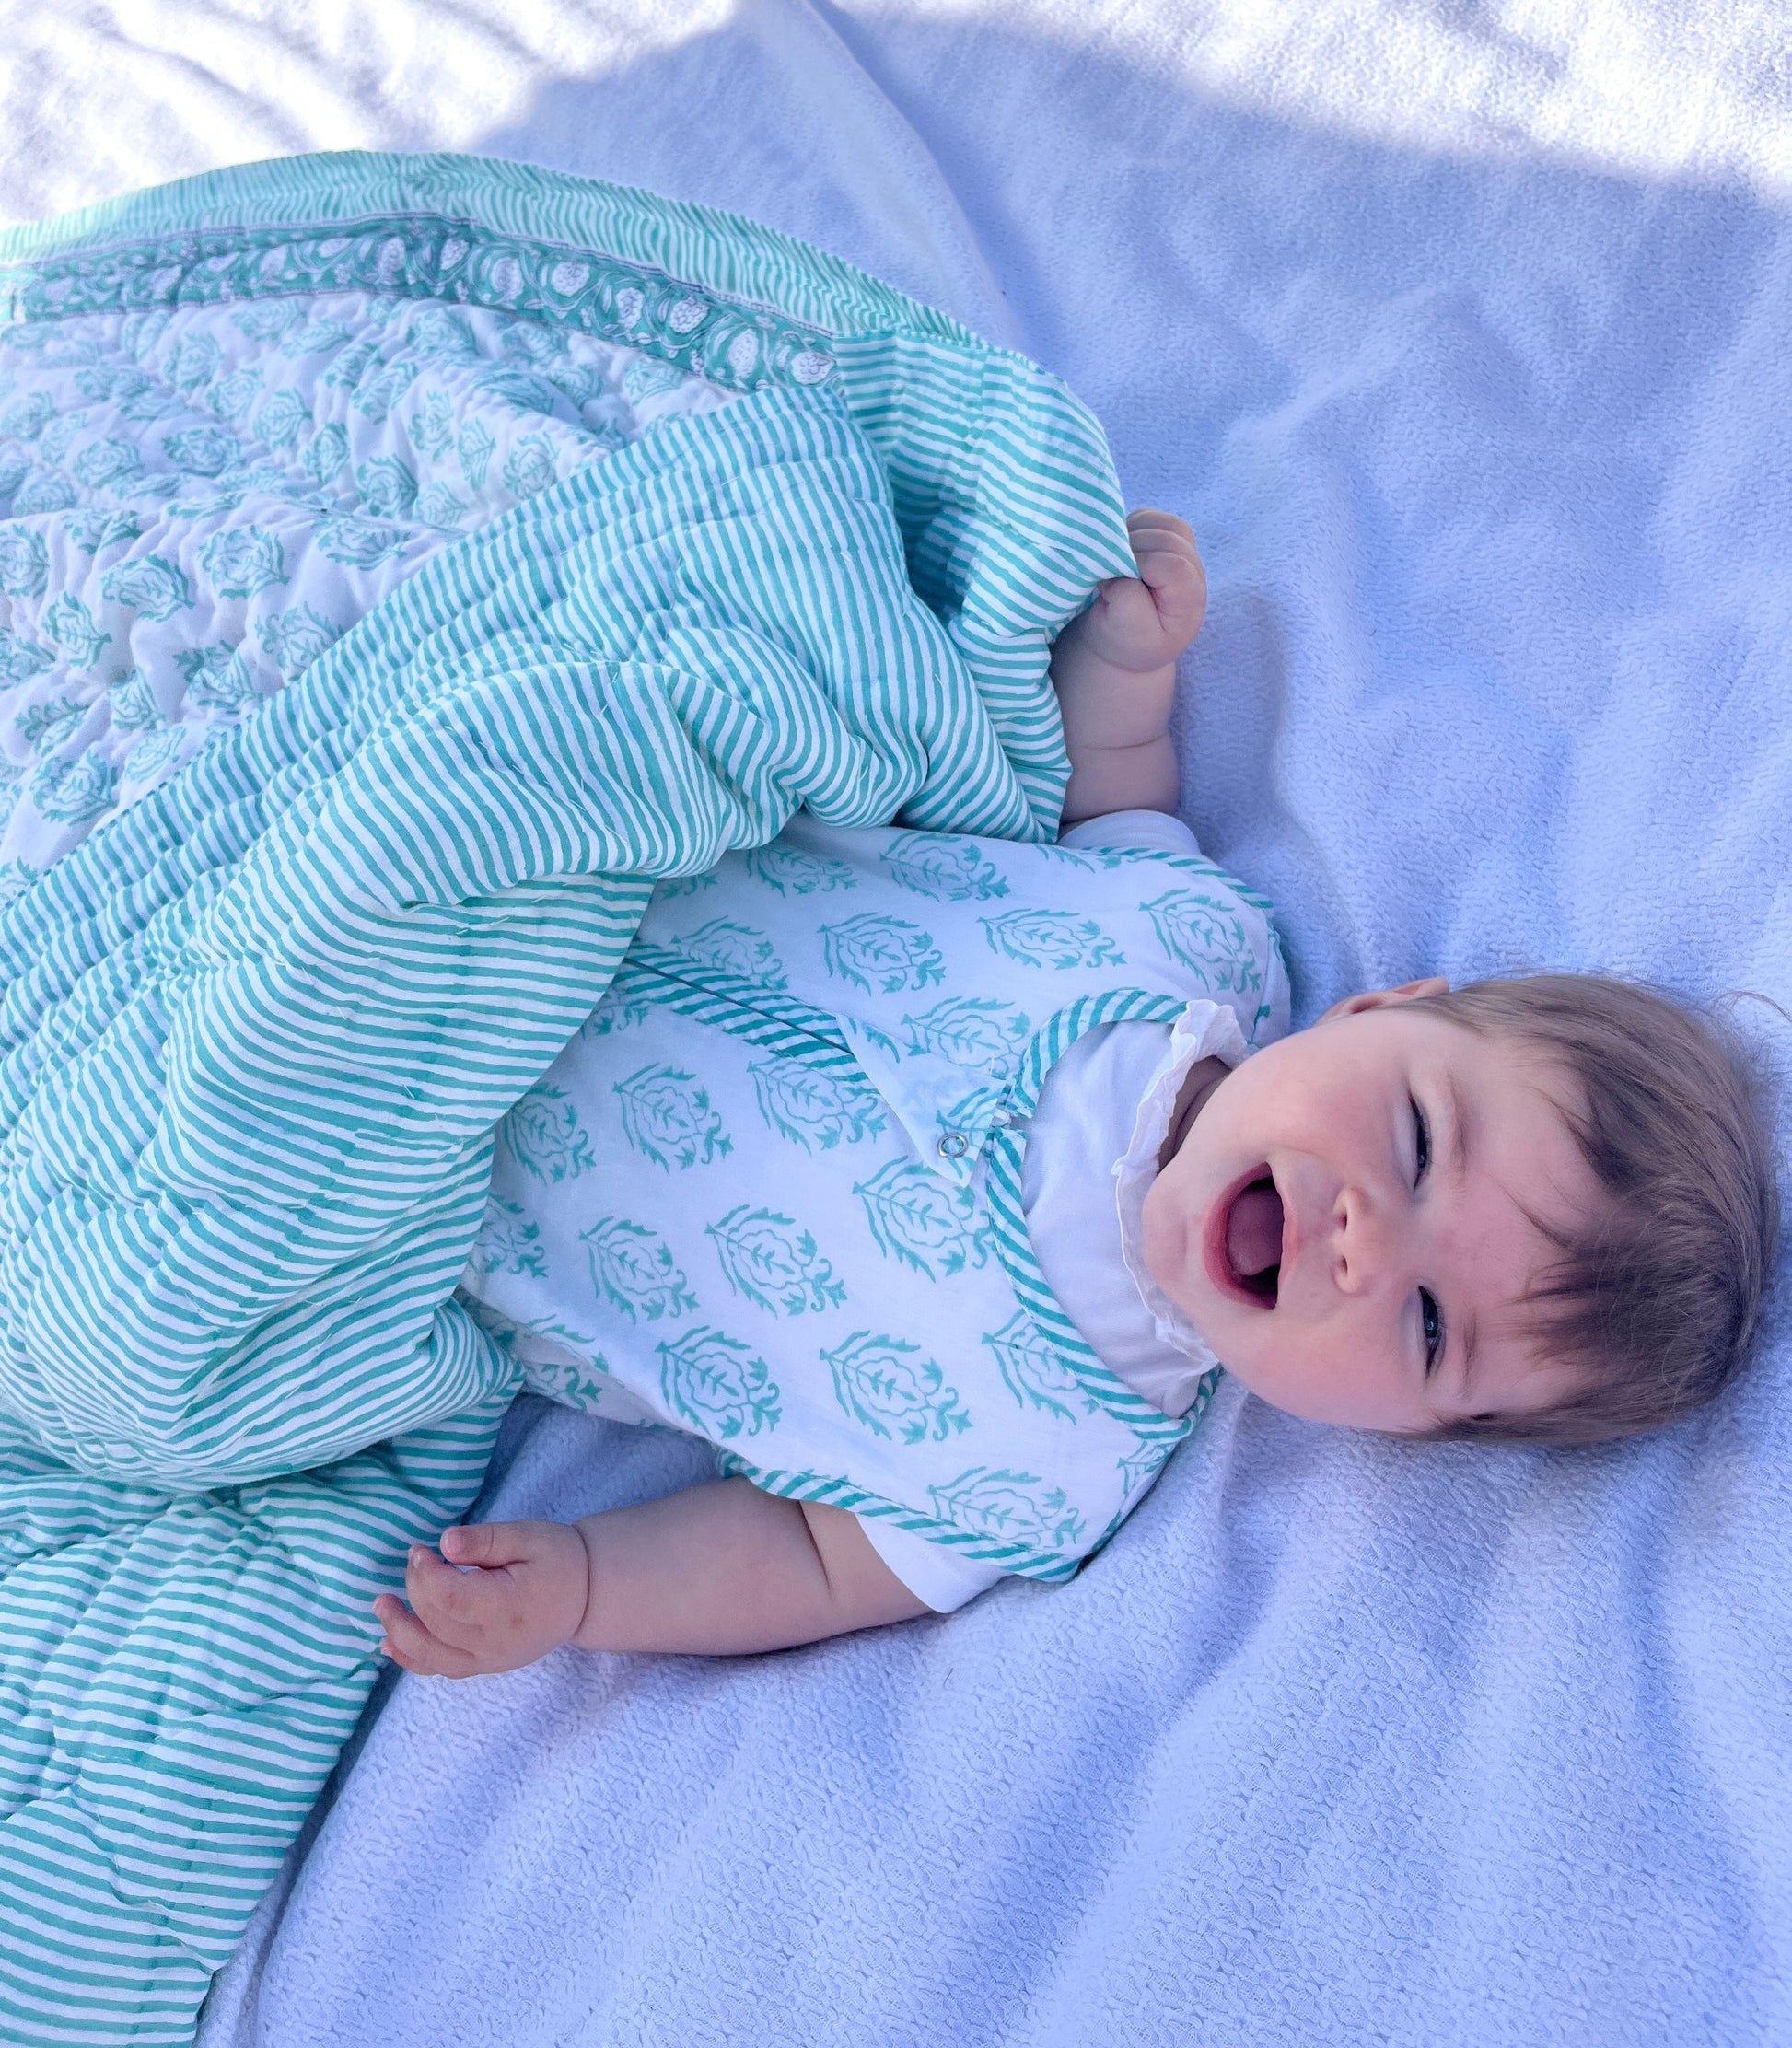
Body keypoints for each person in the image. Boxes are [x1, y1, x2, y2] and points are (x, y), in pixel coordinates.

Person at [372, 513, 1779, 1675]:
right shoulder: (1190, 944)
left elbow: (798, 1557)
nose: (1359, 1240)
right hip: (558, 870)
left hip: (408, 1161)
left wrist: (575, 1593)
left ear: (1402, 1434)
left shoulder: (1051, 1454)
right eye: (1415, 1141)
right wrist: (1126, 664)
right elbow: (1102, 797)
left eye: (1423, 1324)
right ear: (1376, 1010)